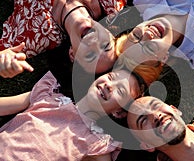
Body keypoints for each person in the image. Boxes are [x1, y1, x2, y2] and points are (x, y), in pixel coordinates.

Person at [0, 67, 147, 160]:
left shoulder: (98, 145)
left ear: (118, 112)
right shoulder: (48, 94)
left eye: (120, 91)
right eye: (110, 77)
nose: (109, 86)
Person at [0, 0, 133, 78]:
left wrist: (4, 61)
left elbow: (4, 54)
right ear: (109, 33)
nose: (94, 43)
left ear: (72, 54)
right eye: (106, 45)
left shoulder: (38, 34)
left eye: (90, 55)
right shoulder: (110, 0)